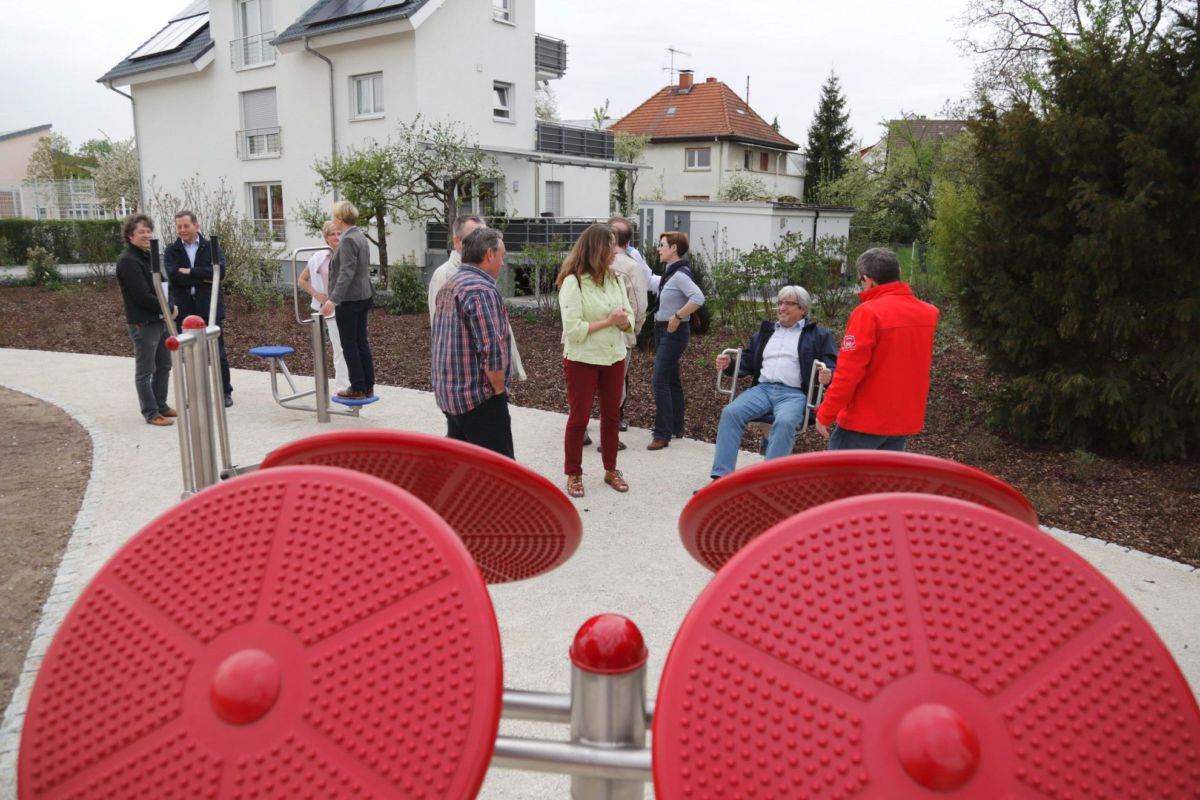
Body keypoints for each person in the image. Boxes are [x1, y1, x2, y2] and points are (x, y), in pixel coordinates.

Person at [815, 247, 940, 450]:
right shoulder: (927, 313)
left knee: (840, 481)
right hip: (901, 421)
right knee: (881, 481)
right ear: (898, 272)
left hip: (863, 422)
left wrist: (825, 413)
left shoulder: (868, 313)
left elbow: (849, 372)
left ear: (868, 279)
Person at [710, 286, 838, 478]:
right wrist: (730, 364)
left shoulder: (818, 335)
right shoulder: (766, 332)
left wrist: (828, 376)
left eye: (788, 304)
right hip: (762, 390)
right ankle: (720, 477)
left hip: (794, 394)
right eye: (780, 303)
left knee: (785, 422)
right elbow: (748, 360)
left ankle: (768, 482)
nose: (782, 308)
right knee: (731, 413)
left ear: (802, 309)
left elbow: (831, 366)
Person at [557, 224, 636, 497]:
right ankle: (574, 473)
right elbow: (575, 331)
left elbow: (630, 317)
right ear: (595, 250)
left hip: (614, 356)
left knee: (612, 416)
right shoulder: (573, 282)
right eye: (609, 246)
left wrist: (625, 322)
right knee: (579, 419)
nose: (614, 252)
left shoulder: (615, 279)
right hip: (582, 359)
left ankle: (611, 470)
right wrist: (609, 321)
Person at [431, 227, 514, 458]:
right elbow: (491, 349)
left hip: (450, 395)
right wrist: (498, 392)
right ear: (489, 254)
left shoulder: (451, 284)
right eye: (502, 256)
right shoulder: (481, 290)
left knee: (463, 466)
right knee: (501, 470)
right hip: (478, 399)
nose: (503, 263)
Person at [428, 214, 526, 380]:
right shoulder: (445, 276)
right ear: (457, 242)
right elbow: (444, 334)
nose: (482, 241)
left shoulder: (482, 272)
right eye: (474, 236)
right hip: (472, 380)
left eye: (484, 235)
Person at [163, 210, 232, 407]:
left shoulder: (211, 247)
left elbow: (220, 272)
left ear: (196, 226)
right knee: (188, 352)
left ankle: (224, 392)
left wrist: (190, 271)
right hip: (185, 308)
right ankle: (193, 394)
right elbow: (173, 276)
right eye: (179, 227)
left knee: (217, 351)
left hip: (209, 306)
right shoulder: (171, 250)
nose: (182, 230)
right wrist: (204, 276)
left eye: (186, 226)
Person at [116, 213, 176, 426]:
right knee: (146, 370)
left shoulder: (149, 257)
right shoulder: (128, 261)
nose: (146, 235)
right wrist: (168, 308)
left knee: (164, 365)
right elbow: (142, 295)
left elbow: (163, 285)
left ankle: (161, 405)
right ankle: (151, 413)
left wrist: (171, 306)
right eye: (141, 232)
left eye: (149, 231)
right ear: (130, 236)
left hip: (159, 320)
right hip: (144, 322)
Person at [648, 231, 705, 450]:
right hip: (663, 331)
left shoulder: (680, 274)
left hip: (674, 332)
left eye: (662, 245)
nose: (659, 249)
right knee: (671, 380)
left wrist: (678, 316)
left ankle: (662, 434)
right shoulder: (670, 273)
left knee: (659, 380)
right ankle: (675, 426)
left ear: (674, 249)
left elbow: (698, 298)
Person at [321, 201, 375, 400]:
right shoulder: (359, 236)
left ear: (340, 219)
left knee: (350, 344)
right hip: (363, 295)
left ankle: (358, 387)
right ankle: (368, 385)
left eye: (334, 216)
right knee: (361, 342)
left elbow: (346, 272)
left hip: (350, 300)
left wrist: (333, 299)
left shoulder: (347, 240)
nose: (333, 220)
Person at [297, 220, 349, 393]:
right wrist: (317, 295)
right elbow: (302, 280)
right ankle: (342, 386)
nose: (336, 237)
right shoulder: (319, 258)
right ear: (326, 238)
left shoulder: (347, 254)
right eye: (332, 234)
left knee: (351, 345)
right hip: (329, 307)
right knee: (339, 346)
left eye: (339, 233)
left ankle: (354, 382)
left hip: (347, 305)